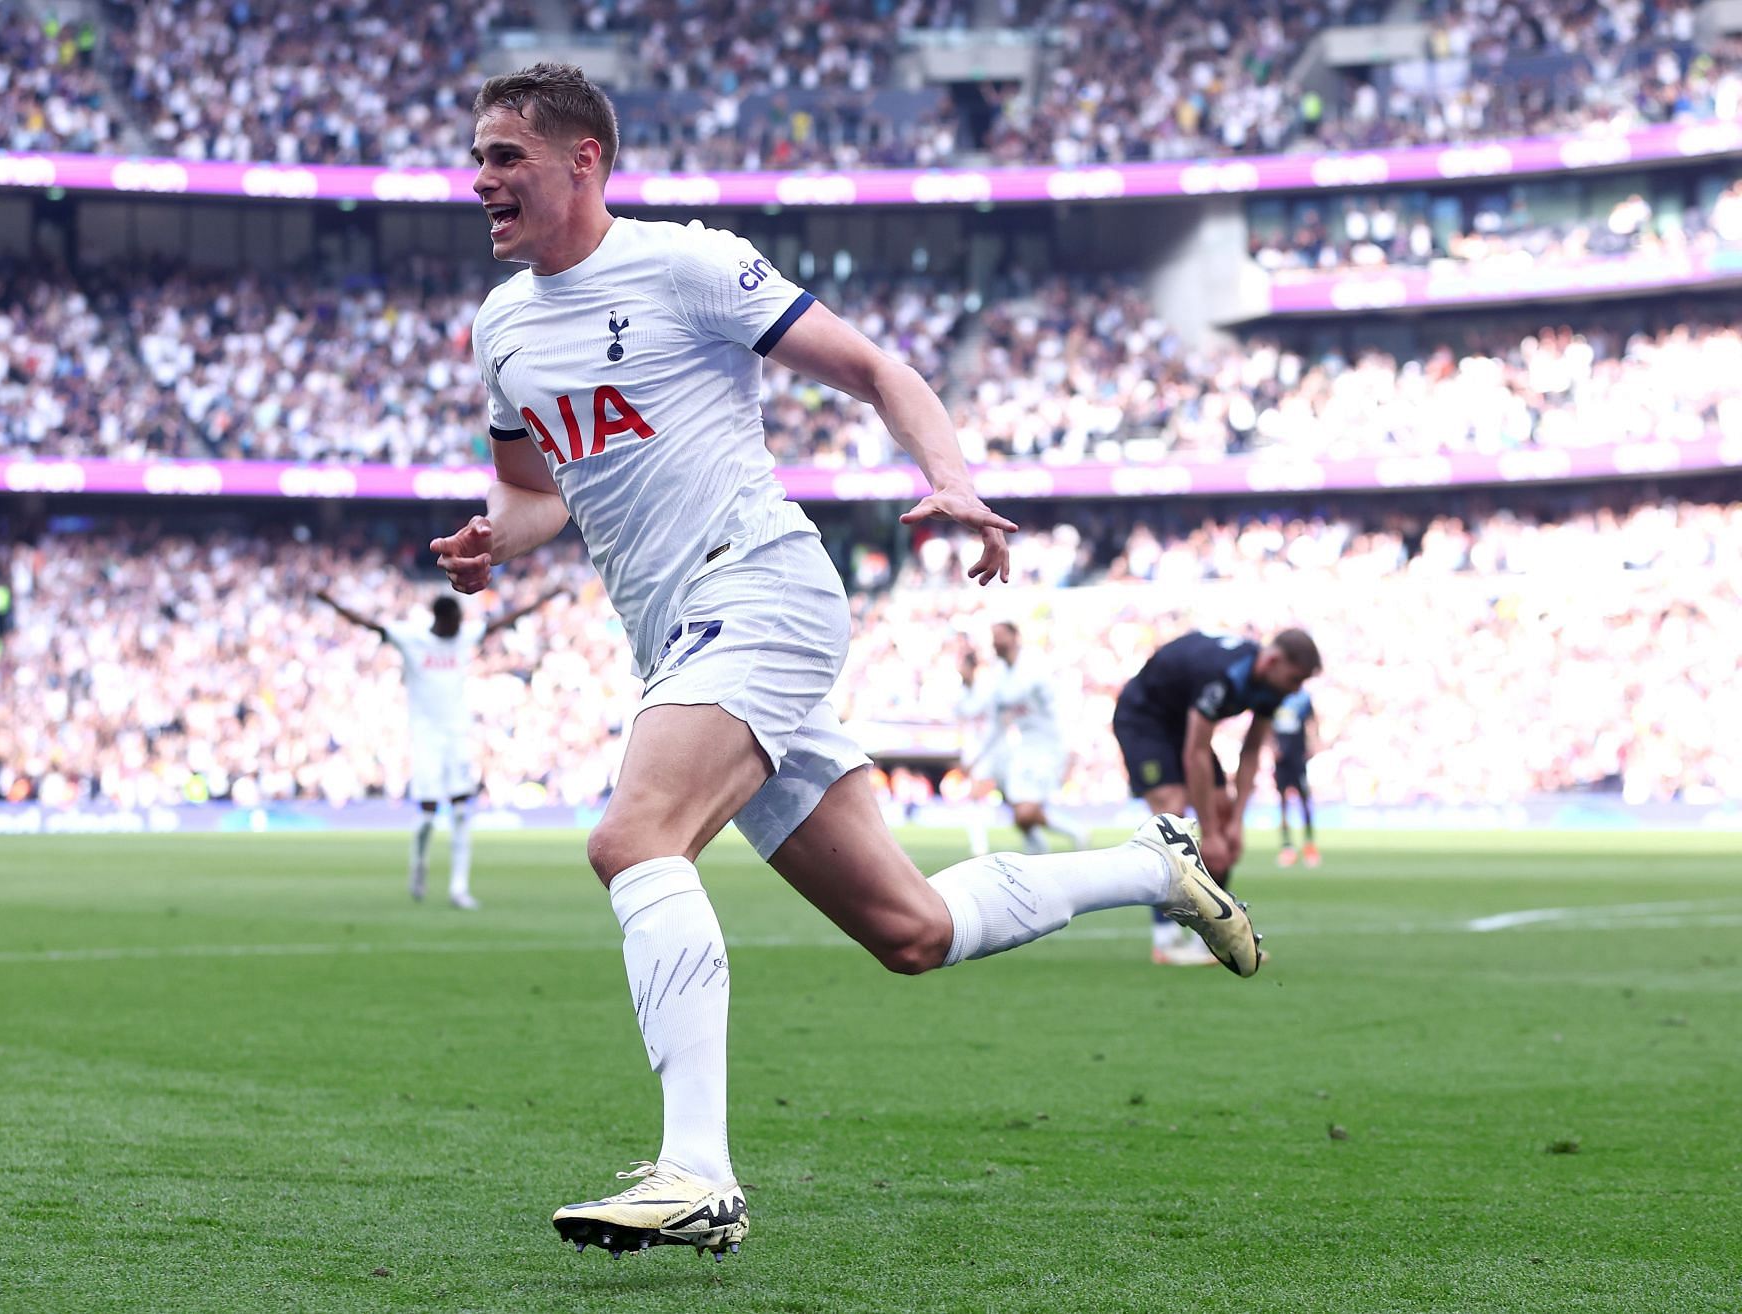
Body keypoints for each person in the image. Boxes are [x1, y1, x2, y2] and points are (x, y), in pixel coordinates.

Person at [429, 61, 1263, 1262]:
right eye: (479, 154)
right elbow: (531, 495)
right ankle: (1151, 866)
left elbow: (878, 369)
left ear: (583, 161)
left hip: (758, 584)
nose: (481, 178)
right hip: (680, 634)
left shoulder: (687, 265)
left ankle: (698, 1174)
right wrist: (489, 542)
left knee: (632, 839)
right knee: (912, 929)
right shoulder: (503, 328)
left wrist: (952, 480)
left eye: (505, 154)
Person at [315, 588, 559, 907]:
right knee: (428, 816)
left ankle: (459, 889)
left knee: (461, 812)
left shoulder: (463, 636)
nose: (461, 627)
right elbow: (367, 623)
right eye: (455, 621)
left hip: (457, 735)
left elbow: (502, 622)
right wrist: (331, 601)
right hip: (426, 737)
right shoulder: (411, 638)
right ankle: (418, 863)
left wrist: (546, 596)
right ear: (441, 620)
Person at [1111, 630, 1322, 966]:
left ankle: (1208, 938)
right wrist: (1207, 835)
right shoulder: (1222, 675)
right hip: (1144, 719)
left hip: (1181, 723)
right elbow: (1195, 753)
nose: (1296, 689)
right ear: (1272, 661)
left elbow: (1252, 750)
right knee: (1173, 812)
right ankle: (1165, 940)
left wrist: (1235, 822)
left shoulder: (1272, 686)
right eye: (1295, 678)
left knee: (1222, 821)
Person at [957, 621, 1083, 854]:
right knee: (1020, 816)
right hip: (1024, 747)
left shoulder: (1034, 665)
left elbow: (1026, 695)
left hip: (1049, 746)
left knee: (1025, 813)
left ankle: (1075, 831)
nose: (996, 642)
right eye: (993, 637)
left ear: (1015, 637)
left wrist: (1072, 746)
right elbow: (996, 724)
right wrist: (975, 759)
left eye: (1000, 636)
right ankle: (1039, 858)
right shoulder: (1000, 674)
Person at [1272, 689, 1321, 867]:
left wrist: (1314, 742)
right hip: (1281, 759)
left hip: (1298, 757)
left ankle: (1309, 846)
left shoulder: (1304, 698)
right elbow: (1267, 723)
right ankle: (1287, 847)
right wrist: (1272, 746)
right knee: (1283, 803)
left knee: (1304, 800)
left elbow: (1313, 720)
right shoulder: (1275, 695)